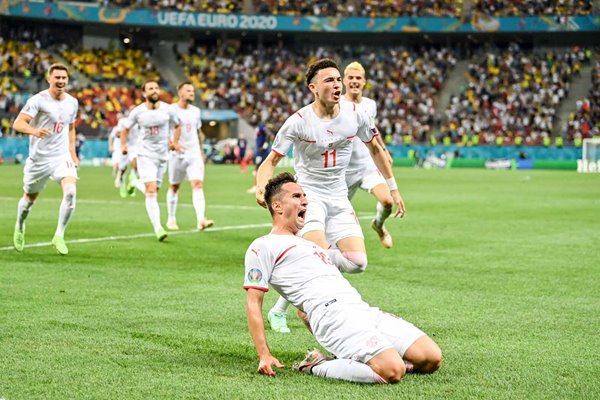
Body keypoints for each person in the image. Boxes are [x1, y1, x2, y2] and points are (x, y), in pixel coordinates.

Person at [244, 173, 442, 383]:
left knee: (431, 358)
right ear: (277, 207)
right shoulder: (262, 246)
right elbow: (253, 303)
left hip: (361, 309)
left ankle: (361, 358)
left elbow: (308, 300)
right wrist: (263, 354)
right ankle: (316, 365)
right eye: (296, 196)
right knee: (392, 371)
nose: (305, 200)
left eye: (304, 195)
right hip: (333, 315)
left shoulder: (310, 244)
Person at [255, 58, 405, 333]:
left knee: (357, 263)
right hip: (309, 196)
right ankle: (304, 305)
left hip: (338, 195)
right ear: (313, 88)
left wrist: (393, 188)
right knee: (320, 259)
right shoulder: (298, 122)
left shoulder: (357, 114)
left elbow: (376, 150)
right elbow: (270, 162)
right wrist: (262, 188)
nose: (337, 85)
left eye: (338, 80)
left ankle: (297, 267)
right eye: (330, 80)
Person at [12, 63, 80, 255]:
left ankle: (59, 235)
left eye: (64, 78)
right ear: (49, 79)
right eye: (57, 77)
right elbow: (18, 123)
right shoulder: (38, 100)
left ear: (67, 80)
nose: (60, 81)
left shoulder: (72, 102)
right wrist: (34, 130)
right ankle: (20, 225)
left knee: (71, 192)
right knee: (29, 199)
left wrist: (72, 153)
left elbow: (71, 128)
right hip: (39, 159)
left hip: (61, 157)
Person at [342, 61, 395, 248]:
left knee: (388, 201)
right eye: (351, 78)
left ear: (364, 82)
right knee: (335, 214)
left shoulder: (370, 105)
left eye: (358, 78)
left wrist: (383, 150)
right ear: (344, 81)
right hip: (345, 170)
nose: (355, 81)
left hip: (367, 166)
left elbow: (372, 129)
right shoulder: (337, 104)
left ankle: (379, 225)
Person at [121, 79, 181, 241]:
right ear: (144, 93)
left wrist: (174, 142)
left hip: (163, 156)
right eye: (150, 88)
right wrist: (124, 145)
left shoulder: (168, 110)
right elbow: (125, 129)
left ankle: (134, 183)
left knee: (153, 190)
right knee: (152, 190)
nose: (154, 90)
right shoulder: (138, 112)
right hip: (145, 155)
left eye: (156, 88)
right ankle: (158, 228)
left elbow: (178, 126)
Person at [166, 81, 214, 231]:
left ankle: (201, 220)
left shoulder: (196, 111)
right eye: (188, 91)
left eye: (192, 91)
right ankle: (171, 219)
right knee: (174, 186)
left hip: (193, 153)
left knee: (197, 184)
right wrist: (171, 144)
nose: (192, 93)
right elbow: (164, 129)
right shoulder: (170, 110)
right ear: (180, 93)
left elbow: (197, 132)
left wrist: (200, 150)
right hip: (177, 154)